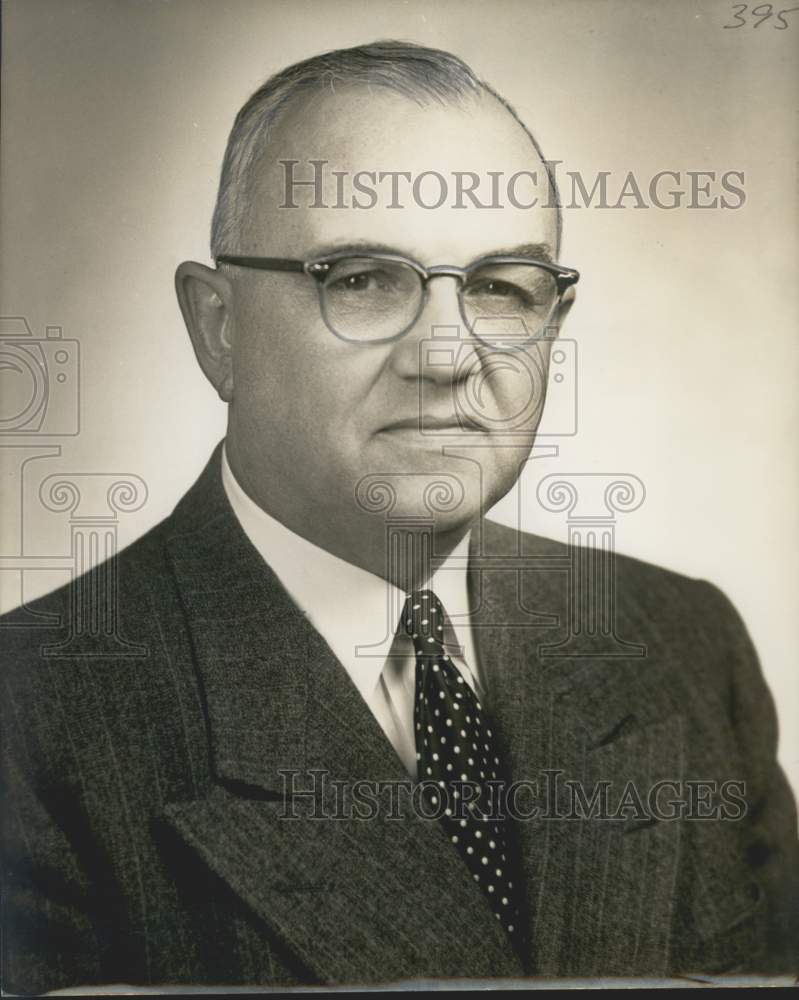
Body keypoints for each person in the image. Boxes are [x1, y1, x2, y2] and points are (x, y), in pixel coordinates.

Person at [2, 41, 796, 993]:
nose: (448, 356)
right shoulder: (29, 721)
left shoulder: (682, 642)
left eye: (501, 287)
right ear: (218, 327)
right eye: (362, 279)